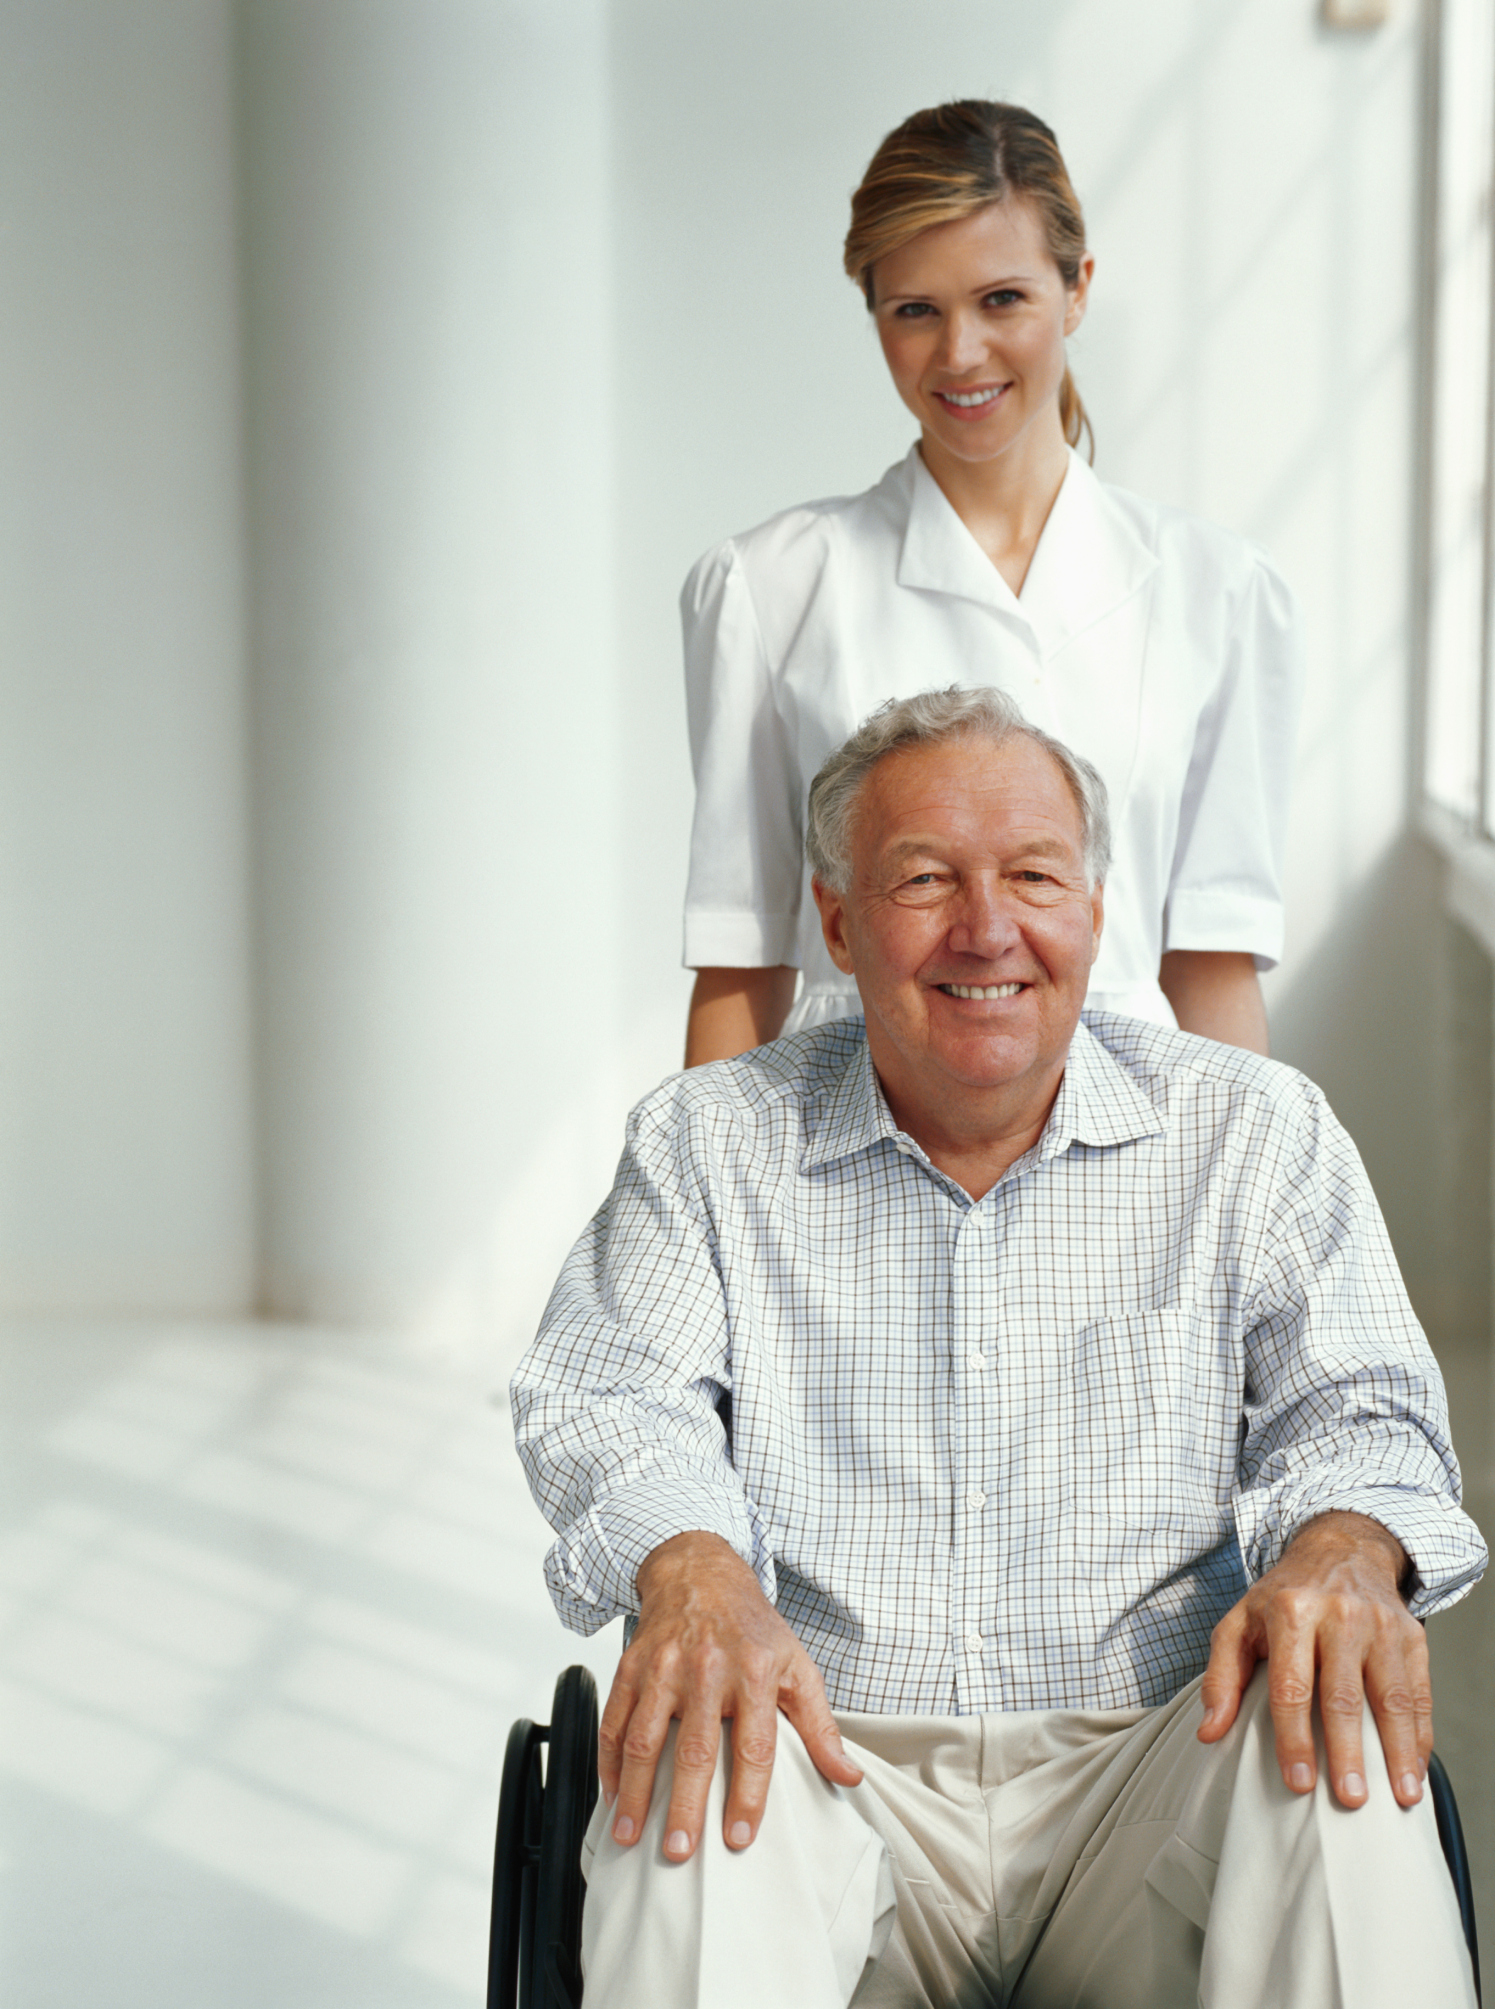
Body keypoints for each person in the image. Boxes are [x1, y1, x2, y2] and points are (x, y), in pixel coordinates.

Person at [513, 688, 1486, 2008]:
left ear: (1091, 911)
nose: (987, 928)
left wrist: (1338, 1545)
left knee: (1340, 1749)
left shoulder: (1253, 1132)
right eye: (923, 879)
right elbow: (611, 1394)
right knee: (689, 1779)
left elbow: (1362, 1403)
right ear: (840, 924)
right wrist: (687, 1566)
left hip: (1148, 1754)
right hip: (823, 1761)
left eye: (1032, 875)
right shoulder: (706, 1143)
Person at [682, 100, 1302, 1068]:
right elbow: (740, 962)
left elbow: (1212, 964)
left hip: (1131, 1142)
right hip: (845, 1144)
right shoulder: (767, 589)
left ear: (1077, 289)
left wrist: (1259, 1206)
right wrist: (705, 1206)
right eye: (915, 310)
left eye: (1001, 299)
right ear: (874, 316)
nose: (960, 353)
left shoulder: (1216, 592)